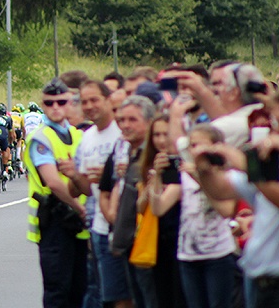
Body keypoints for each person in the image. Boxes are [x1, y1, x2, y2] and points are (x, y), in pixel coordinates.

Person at [195, 86, 279, 308]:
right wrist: (204, 169)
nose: (277, 130)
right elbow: (221, 190)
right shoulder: (274, 162)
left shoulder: (270, 168)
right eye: (275, 122)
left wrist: (249, 167)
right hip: (258, 277)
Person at [152, 124, 237, 308]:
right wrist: (157, 178)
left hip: (218, 254)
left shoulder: (227, 175)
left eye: (198, 145)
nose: (193, 151)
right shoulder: (183, 177)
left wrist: (200, 178)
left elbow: (226, 210)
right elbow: (158, 209)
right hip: (188, 255)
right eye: (190, 146)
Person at [25, 78, 88, 308]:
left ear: (69, 102)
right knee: (58, 291)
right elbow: (52, 181)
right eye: (49, 103)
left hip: (80, 223)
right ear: (43, 105)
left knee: (80, 290)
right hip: (54, 221)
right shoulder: (40, 138)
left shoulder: (80, 135)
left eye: (61, 102)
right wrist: (80, 208)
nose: (55, 107)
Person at [59, 80, 120, 308]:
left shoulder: (121, 133)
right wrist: (73, 175)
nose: (89, 106)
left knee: (115, 294)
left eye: (95, 100)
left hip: (121, 225)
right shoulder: (87, 138)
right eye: (85, 102)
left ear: (107, 100)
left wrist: (107, 175)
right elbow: (81, 189)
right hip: (97, 225)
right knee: (95, 291)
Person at [99, 96, 157, 308]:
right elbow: (107, 190)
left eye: (133, 119)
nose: (125, 125)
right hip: (126, 245)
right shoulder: (122, 150)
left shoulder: (154, 157)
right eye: (121, 119)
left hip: (150, 247)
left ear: (150, 121)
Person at [137, 114, 186, 308]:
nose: (161, 140)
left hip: (179, 236)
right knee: (161, 296)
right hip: (158, 240)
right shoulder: (149, 164)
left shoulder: (183, 163)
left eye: (166, 134)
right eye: (156, 135)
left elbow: (167, 203)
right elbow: (141, 206)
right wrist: (153, 181)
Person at [0, 103, 15, 178]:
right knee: (5, 149)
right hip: (3, 136)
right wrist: (10, 143)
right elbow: (11, 134)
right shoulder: (8, 118)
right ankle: (5, 169)